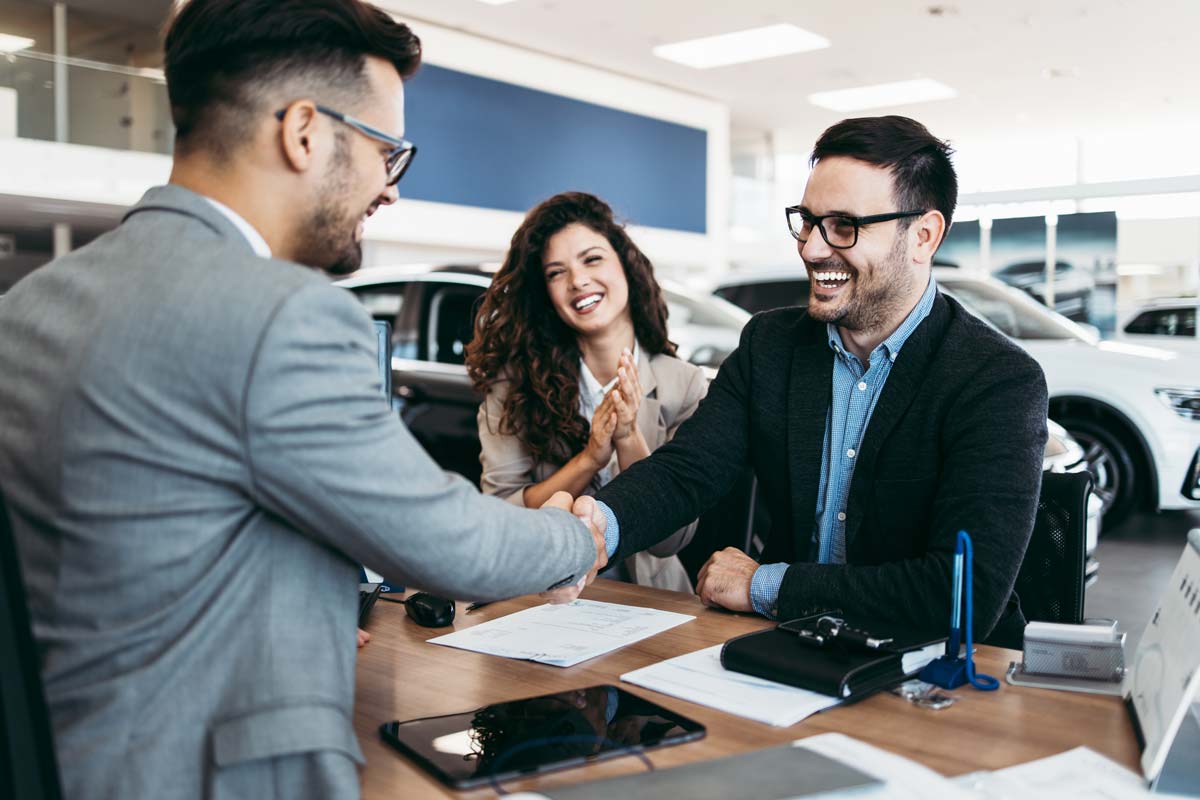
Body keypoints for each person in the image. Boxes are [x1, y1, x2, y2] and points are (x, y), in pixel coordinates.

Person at [0, 2, 606, 798]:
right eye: (388, 153)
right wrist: (575, 539)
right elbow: (447, 545)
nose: (389, 191)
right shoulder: (280, 312)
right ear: (305, 133)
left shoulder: (28, 306)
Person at [594, 115, 1049, 647]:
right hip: (796, 649)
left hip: (943, 673)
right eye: (807, 221)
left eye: (843, 226)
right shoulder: (770, 344)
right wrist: (595, 528)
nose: (812, 248)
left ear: (923, 236)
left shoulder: (996, 380)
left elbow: (961, 595)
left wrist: (767, 584)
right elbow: (688, 471)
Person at [466, 192, 707, 592]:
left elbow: (671, 541)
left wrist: (628, 437)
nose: (577, 281)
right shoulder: (513, 386)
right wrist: (589, 459)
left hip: (653, 602)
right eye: (556, 272)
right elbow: (501, 516)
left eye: (592, 259)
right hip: (542, 598)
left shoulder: (684, 385)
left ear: (626, 266)